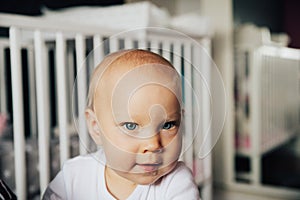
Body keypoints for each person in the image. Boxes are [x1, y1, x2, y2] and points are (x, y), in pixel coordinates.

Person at [43, 49, 200, 200]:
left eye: (167, 125)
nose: (153, 144)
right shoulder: (74, 177)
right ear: (96, 127)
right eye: (131, 126)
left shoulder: (176, 182)